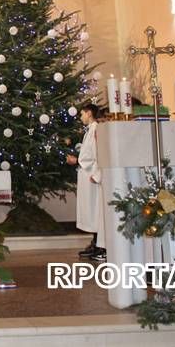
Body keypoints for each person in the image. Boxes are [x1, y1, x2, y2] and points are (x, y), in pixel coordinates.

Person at [67, 103, 105, 262]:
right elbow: (88, 155)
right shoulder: (90, 130)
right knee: (90, 211)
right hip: (86, 174)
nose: (81, 117)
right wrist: (77, 161)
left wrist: (97, 174)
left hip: (92, 176)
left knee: (95, 210)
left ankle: (100, 245)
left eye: (82, 113)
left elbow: (99, 153)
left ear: (89, 113)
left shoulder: (96, 129)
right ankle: (95, 242)